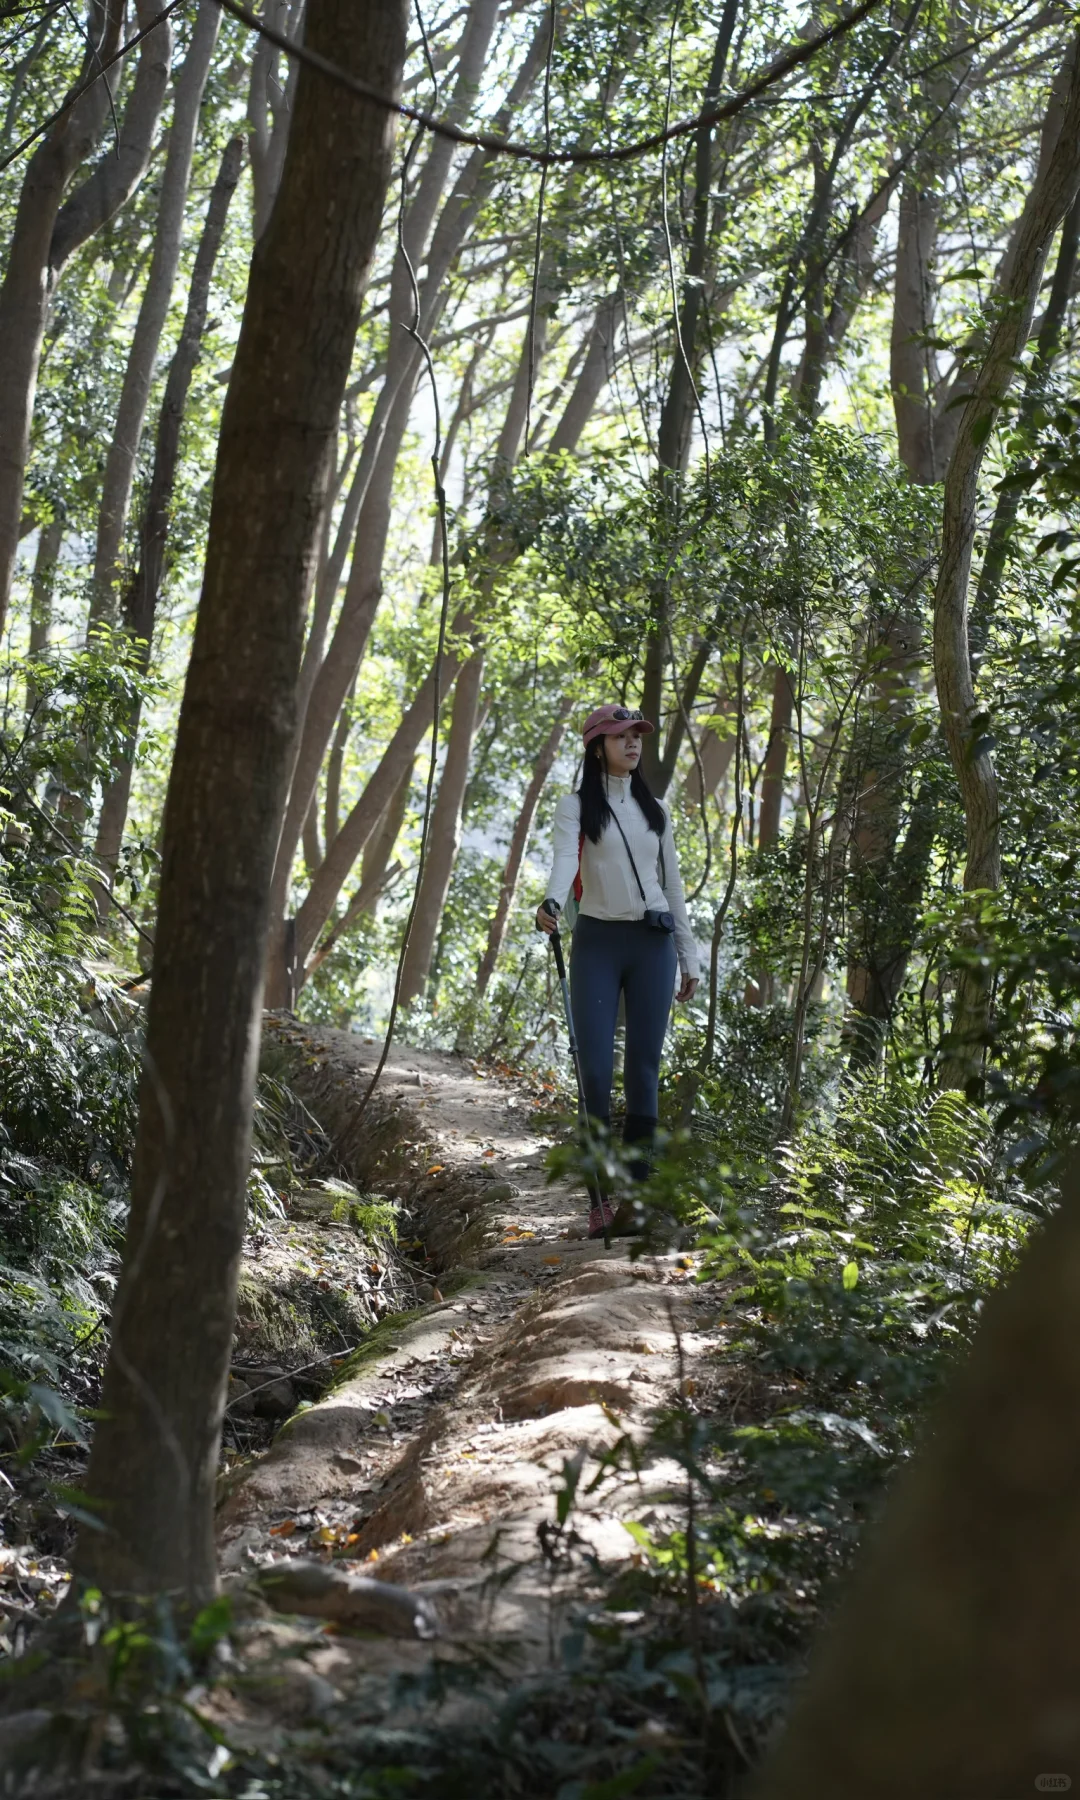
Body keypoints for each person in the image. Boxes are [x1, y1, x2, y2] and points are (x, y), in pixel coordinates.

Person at [536, 703, 700, 1237]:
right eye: (620, 736)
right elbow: (565, 860)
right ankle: (601, 1201)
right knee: (596, 1077)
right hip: (598, 942)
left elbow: (672, 886)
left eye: (637, 736)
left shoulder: (656, 809)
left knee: (644, 1073)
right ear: (596, 745)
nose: (633, 744)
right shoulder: (575, 807)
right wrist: (553, 904)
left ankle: (638, 1198)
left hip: (652, 944)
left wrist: (687, 956)